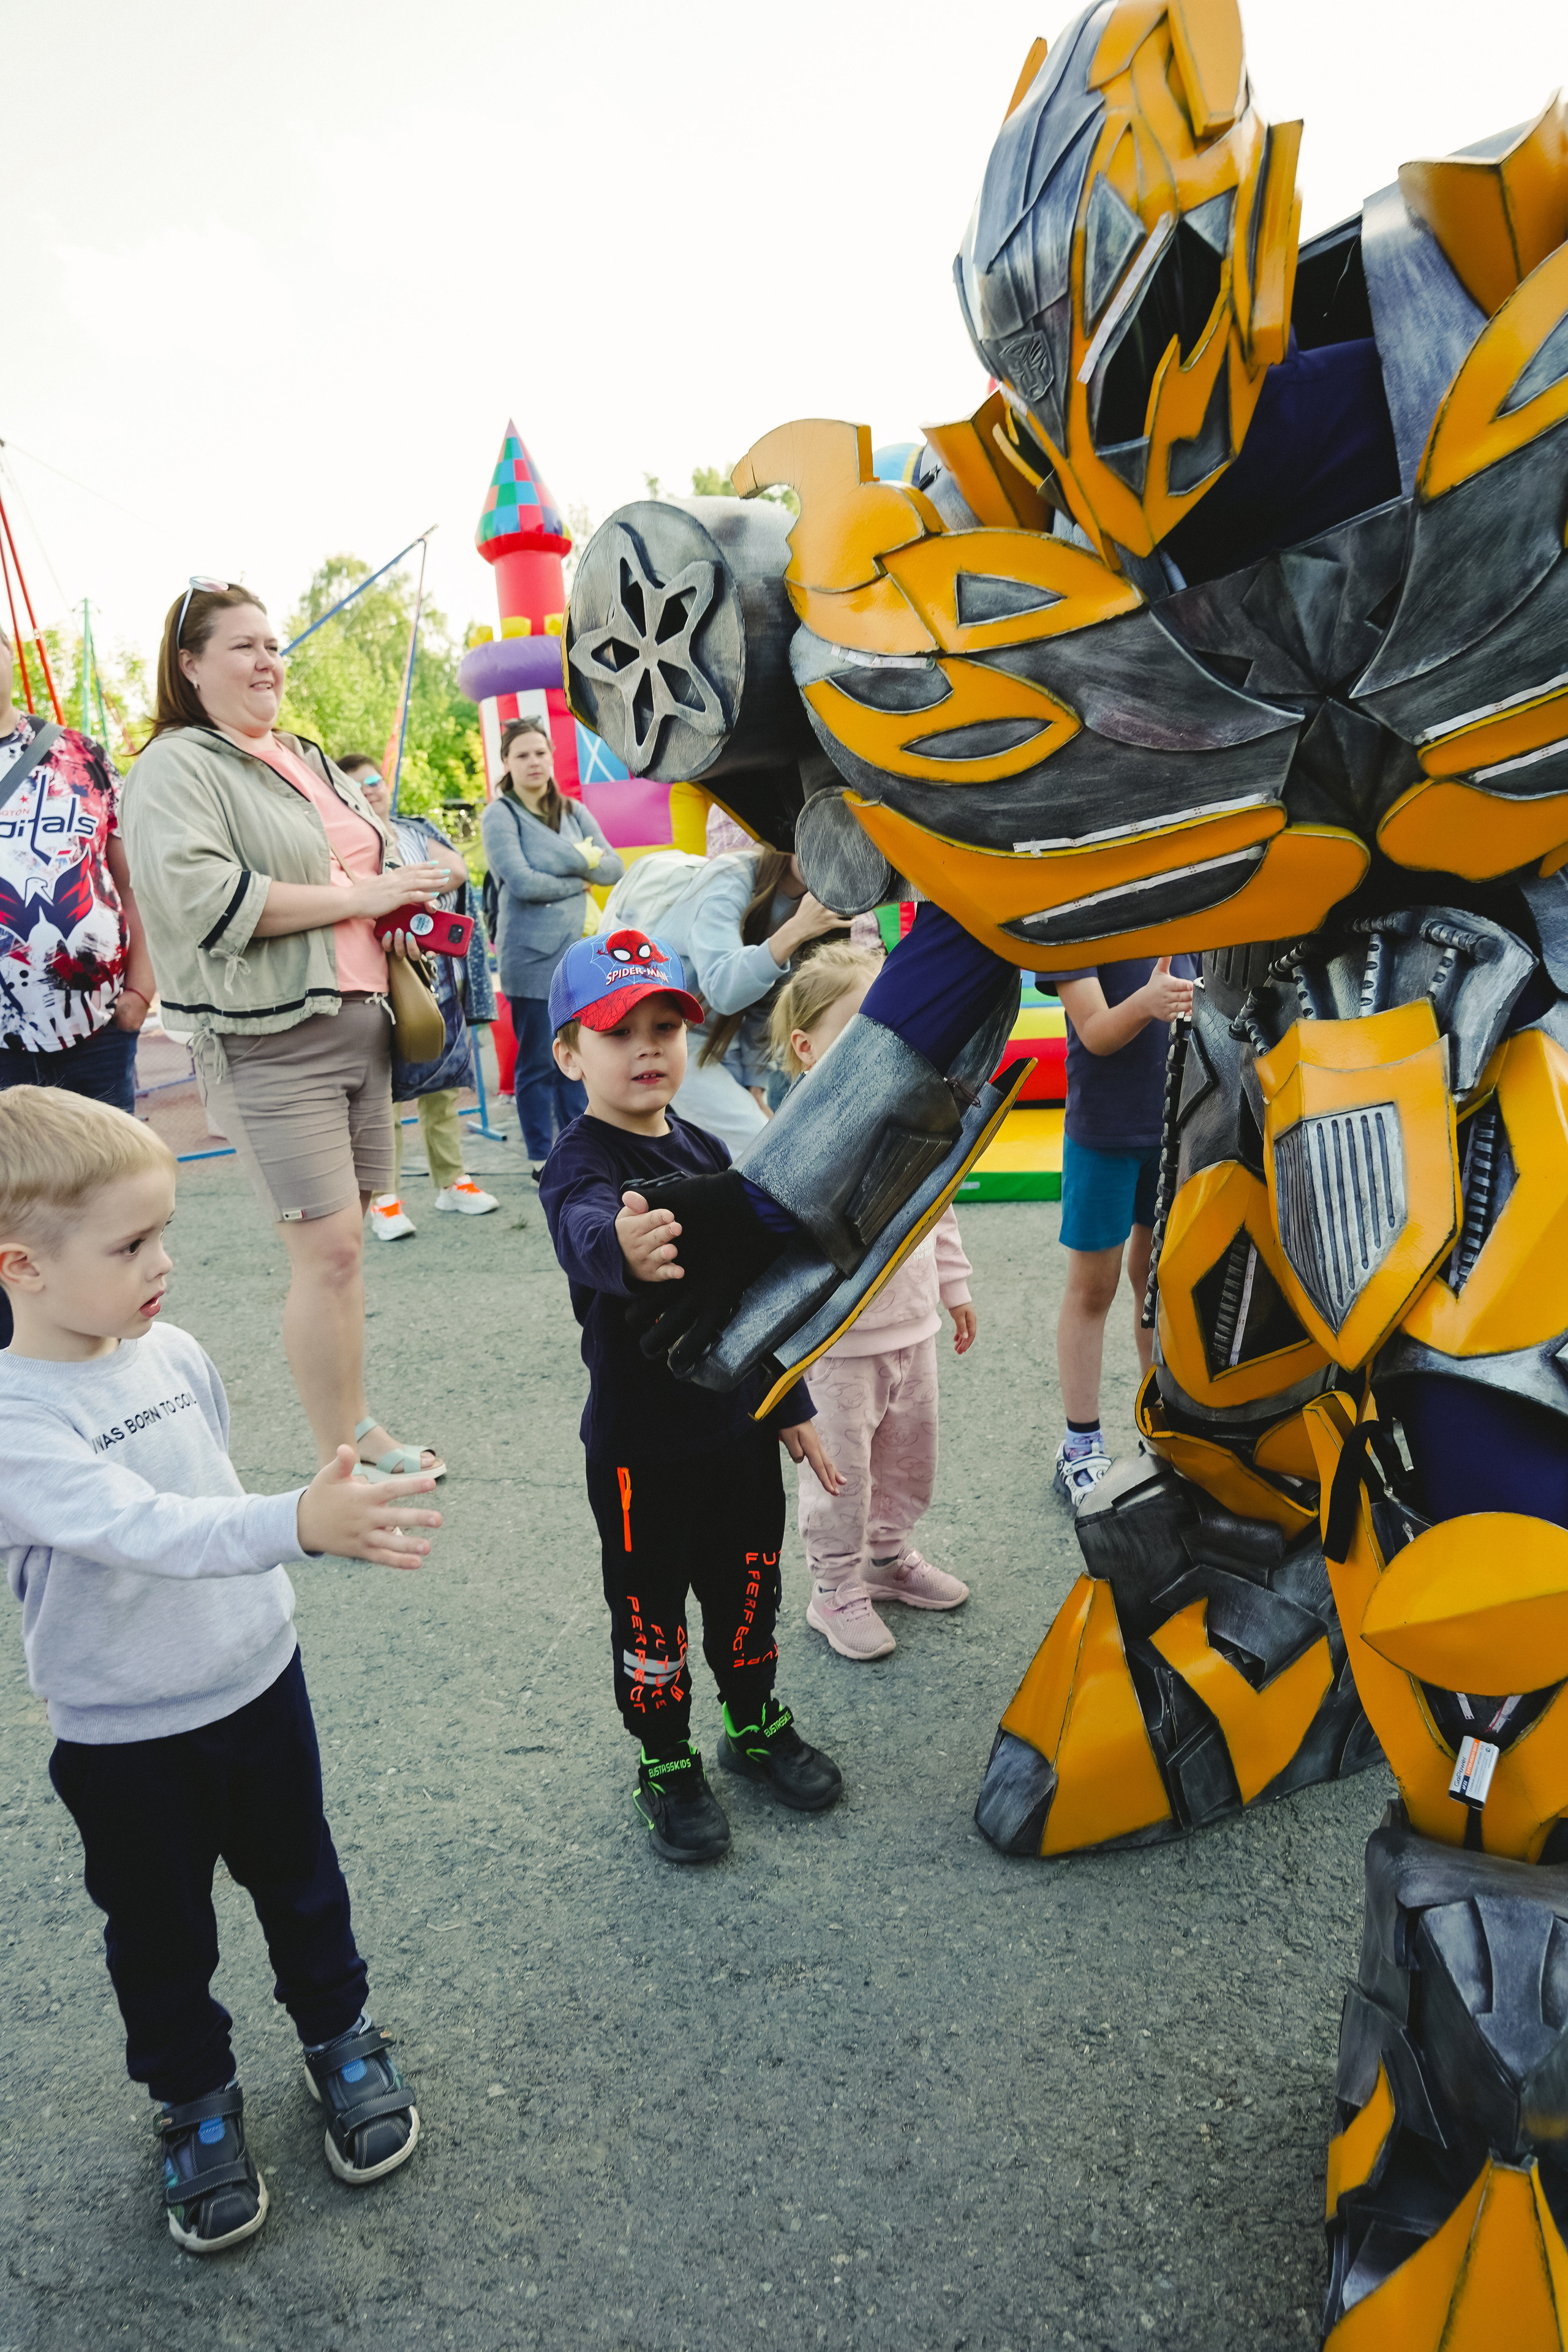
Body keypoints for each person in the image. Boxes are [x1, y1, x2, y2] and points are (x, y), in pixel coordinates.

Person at [0, 1088, 442, 2251]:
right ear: (21, 1266)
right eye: (132, 1244)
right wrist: (301, 1520)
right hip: (124, 1736)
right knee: (159, 1932)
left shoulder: (173, 1352)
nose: (166, 1264)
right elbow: (157, 1527)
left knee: (304, 1881)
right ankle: (192, 2101)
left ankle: (338, 2034)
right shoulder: (14, 1424)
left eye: (165, 1234)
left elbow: (208, 1472)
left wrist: (285, 1528)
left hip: (260, 1681)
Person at [121, 584, 451, 1480]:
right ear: (188, 665)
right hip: (269, 1034)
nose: (270, 662)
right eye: (243, 647)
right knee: (329, 1249)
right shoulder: (176, 766)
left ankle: (361, 1430)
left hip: (361, 1020)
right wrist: (360, 897)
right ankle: (337, 1457)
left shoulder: (302, 754)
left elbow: (368, 854)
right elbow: (200, 899)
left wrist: (416, 871)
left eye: (274, 645)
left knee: (346, 1251)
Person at [538, 924, 845, 1865]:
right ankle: (665, 1760)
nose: (647, 1049)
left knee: (749, 1588)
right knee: (651, 1609)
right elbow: (581, 1228)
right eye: (619, 1031)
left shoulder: (712, 1145)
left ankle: (751, 1726)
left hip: (738, 1432)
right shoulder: (580, 1161)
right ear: (568, 1053)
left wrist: (786, 1404)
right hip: (641, 1450)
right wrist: (619, 1252)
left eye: (666, 1028)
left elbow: (751, 1299)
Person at [769, 944, 975, 1660]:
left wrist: (955, 1288)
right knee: (840, 1476)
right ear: (806, 1047)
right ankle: (833, 1589)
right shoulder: (795, 1133)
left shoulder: (909, 1110)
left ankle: (886, 1561)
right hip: (839, 1347)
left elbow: (935, 1207)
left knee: (911, 1458)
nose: (881, 1051)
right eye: (858, 1032)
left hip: (910, 1330)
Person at [0, 626, 159, 1347]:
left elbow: (132, 881)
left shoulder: (79, 753)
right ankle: (20, 1368)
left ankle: (119, 1355)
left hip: (97, 1023)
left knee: (109, 1196)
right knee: (12, 1208)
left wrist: (140, 988)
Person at [1051, 954, 1196, 1508]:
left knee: (1156, 1281)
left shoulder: (1187, 913)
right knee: (1094, 1287)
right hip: (1104, 1133)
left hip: (1176, 1124)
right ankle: (1081, 1445)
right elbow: (1094, 1033)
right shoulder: (1084, 924)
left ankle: (1160, 1430)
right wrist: (1147, 1002)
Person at [335, 756, 498, 1237]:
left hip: (437, 979)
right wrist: (411, 886)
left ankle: (452, 1183)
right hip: (376, 986)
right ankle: (384, 1200)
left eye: (374, 780)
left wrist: (397, 890)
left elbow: (456, 869)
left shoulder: (414, 829)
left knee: (443, 1091)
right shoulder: (341, 843)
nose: (369, 790)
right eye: (356, 785)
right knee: (381, 1098)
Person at [480, 717, 622, 1177]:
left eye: (540, 752)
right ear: (506, 762)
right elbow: (520, 882)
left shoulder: (573, 811)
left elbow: (613, 867)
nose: (533, 762)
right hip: (530, 956)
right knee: (539, 1060)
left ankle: (577, 1148)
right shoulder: (499, 815)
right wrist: (580, 865)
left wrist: (566, 864)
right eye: (522, 754)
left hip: (579, 954)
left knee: (578, 1056)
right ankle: (542, 1155)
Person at [653, 844, 846, 1153]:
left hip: (716, 1044)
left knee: (755, 1142)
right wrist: (794, 931)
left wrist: (754, 1084)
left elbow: (767, 1007)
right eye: (819, 839)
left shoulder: (824, 904)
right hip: (666, 1036)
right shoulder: (731, 876)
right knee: (763, 1149)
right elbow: (723, 990)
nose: (829, 853)